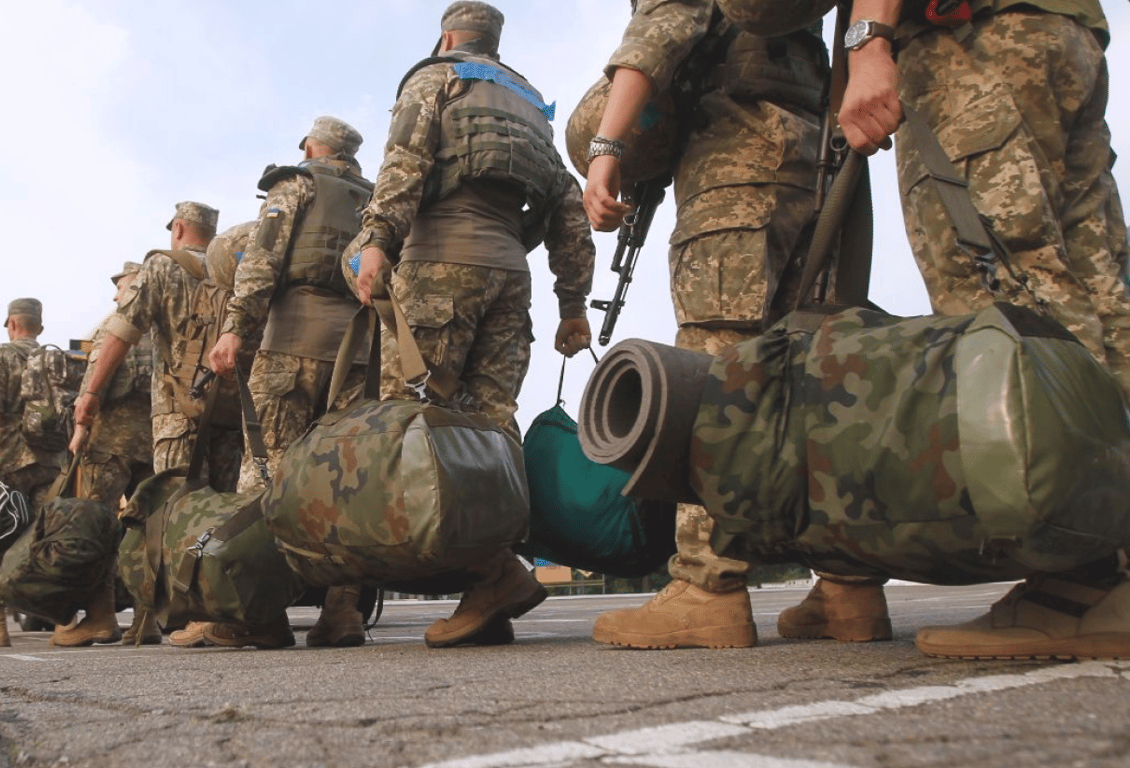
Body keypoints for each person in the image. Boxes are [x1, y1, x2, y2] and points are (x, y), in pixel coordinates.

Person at [578, 0, 895, 651]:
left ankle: (707, 588)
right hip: (822, 160)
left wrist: (606, 149)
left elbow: (657, 33)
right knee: (819, 372)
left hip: (733, 164)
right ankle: (847, 585)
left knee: (715, 373)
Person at [827, 0, 1130, 659]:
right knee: (1101, 299)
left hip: (969, 36)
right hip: (1067, 26)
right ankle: (1116, 568)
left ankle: (1081, 582)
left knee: (999, 296)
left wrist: (869, 37)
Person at [348, 1, 596, 647]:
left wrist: (376, 239)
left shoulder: (437, 77)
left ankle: (491, 576)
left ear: (449, 36)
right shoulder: (530, 106)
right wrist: (573, 305)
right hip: (511, 279)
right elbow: (569, 211)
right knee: (490, 434)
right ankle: (488, 587)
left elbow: (403, 164)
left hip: (439, 268)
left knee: (411, 426)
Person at [208, 116, 375, 650]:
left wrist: (235, 329)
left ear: (310, 147)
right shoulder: (376, 197)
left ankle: (258, 614)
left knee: (266, 473)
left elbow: (260, 262)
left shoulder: (295, 183)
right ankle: (342, 611)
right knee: (345, 480)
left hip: (291, 347)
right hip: (358, 354)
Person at [70, 202, 248, 648]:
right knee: (222, 511)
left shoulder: (162, 267)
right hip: (230, 410)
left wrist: (89, 396)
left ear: (180, 228)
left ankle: (165, 615)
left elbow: (123, 330)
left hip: (178, 413)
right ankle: (216, 613)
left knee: (169, 515)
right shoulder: (236, 267)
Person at [51, 262, 156, 647]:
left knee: (96, 526)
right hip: (155, 439)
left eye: (121, 287)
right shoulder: (163, 324)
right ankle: (148, 618)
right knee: (149, 526)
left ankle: (100, 617)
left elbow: (91, 378)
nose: (115, 296)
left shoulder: (112, 325)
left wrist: (79, 429)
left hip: (108, 442)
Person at [0, 298, 69, 648]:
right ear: (38, 326)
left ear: (11, 324)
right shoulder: (55, 357)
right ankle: (60, 622)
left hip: (8, 462)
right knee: (47, 541)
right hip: (51, 461)